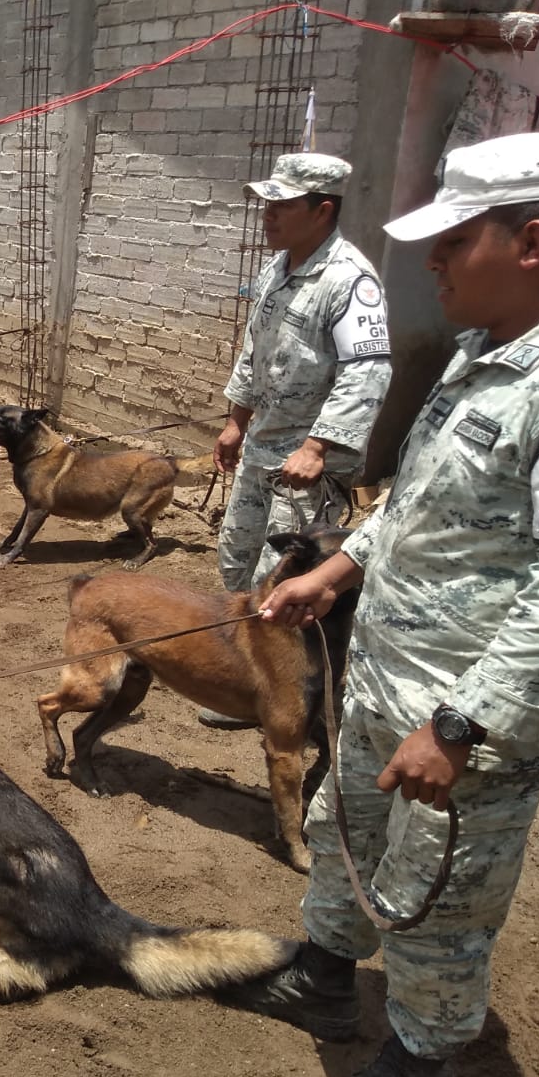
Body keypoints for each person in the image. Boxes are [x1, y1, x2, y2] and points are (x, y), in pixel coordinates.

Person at [227, 131, 539, 1077]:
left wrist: (459, 727)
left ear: (530, 242)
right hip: (386, 681)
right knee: (342, 830)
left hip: (456, 725)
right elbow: (413, 501)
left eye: (452, 241)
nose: (429, 261)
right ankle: (319, 977)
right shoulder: (484, 352)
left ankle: (418, 1072)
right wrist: (335, 569)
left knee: (439, 896)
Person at [202, 153, 393, 729]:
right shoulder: (277, 268)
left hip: (306, 462)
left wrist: (319, 447)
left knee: (283, 578)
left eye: (282, 206)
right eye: (268, 205)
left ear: (323, 210)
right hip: (262, 446)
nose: (269, 216)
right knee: (236, 556)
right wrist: (236, 419)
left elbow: (369, 371)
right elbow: (252, 350)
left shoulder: (351, 282)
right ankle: (243, 676)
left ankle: (283, 694)